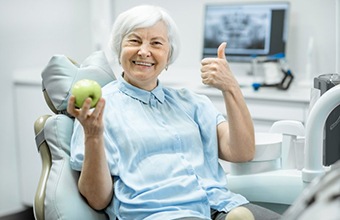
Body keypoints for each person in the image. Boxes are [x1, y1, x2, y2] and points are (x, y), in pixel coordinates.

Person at [67, 5, 281, 220]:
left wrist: (231, 88)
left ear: (168, 55)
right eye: (134, 40)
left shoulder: (191, 103)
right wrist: (93, 135)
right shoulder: (98, 111)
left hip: (221, 205)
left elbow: (242, 152)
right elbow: (97, 199)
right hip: (161, 213)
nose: (144, 51)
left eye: (156, 43)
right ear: (118, 48)